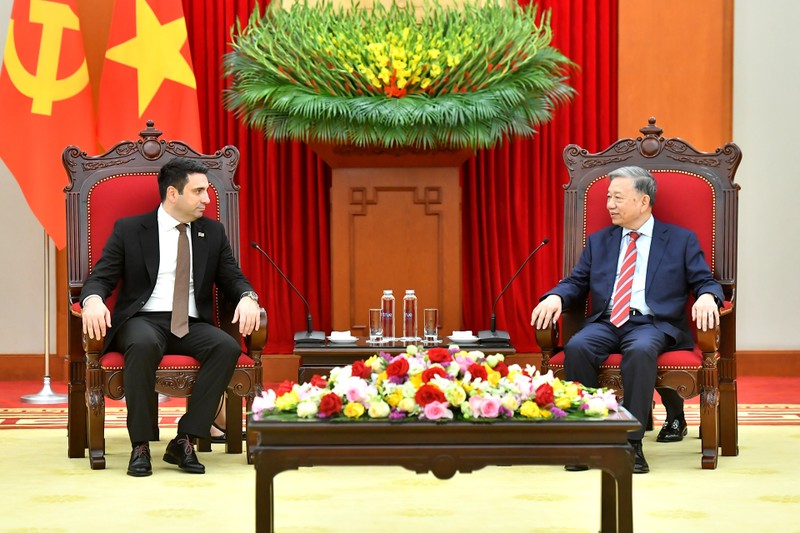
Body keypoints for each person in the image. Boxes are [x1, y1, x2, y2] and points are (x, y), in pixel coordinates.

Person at [530, 165, 722, 474]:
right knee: (578, 346)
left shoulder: (679, 240)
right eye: (608, 197)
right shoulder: (600, 241)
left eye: (618, 198)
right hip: (606, 322)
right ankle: (588, 439)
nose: (609, 205)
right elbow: (577, 282)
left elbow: (706, 282)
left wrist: (706, 297)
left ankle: (630, 444)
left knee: (640, 350)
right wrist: (555, 296)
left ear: (643, 201)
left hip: (651, 323)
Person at [81, 157, 261, 477]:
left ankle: (185, 440)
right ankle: (141, 444)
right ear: (173, 194)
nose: (207, 199)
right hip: (143, 319)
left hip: (191, 322)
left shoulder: (212, 232)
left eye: (207, 191)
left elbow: (233, 278)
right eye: (199, 191)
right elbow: (101, 278)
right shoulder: (131, 230)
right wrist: (93, 300)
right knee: (143, 343)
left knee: (226, 347)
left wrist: (248, 297)